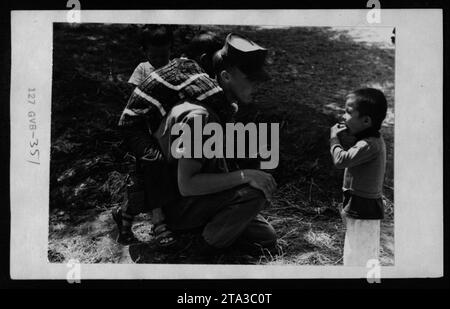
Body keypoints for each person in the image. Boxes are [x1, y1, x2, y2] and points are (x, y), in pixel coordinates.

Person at [155, 33, 278, 256]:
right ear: (226, 76)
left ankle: (211, 231)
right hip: (178, 206)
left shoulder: (217, 105)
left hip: (195, 201)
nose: (256, 86)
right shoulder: (199, 115)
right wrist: (246, 176)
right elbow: (187, 184)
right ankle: (201, 249)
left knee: (265, 236)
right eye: (251, 79)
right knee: (253, 193)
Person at [113, 31, 226, 245]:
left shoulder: (182, 69)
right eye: (154, 56)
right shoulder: (152, 70)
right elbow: (138, 102)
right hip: (139, 126)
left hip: (160, 124)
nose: (159, 61)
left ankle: (125, 215)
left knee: (163, 168)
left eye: (163, 56)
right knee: (154, 163)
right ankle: (159, 222)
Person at [329, 88, 388, 266]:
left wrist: (333, 139)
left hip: (364, 207)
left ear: (366, 121)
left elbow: (341, 160)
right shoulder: (368, 141)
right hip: (360, 204)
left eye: (348, 112)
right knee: (357, 249)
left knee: (359, 254)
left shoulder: (368, 145)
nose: (343, 116)